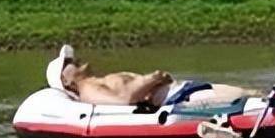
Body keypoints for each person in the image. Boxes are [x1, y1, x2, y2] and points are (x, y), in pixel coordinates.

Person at [45, 44, 256, 108]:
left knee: (251, 94)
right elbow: (124, 100)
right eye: (67, 64)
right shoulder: (88, 90)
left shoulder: (97, 82)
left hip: (180, 90)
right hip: (177, 99)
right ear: (67, 82)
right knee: (248, 99)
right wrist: (152, 79)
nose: (74, 61)